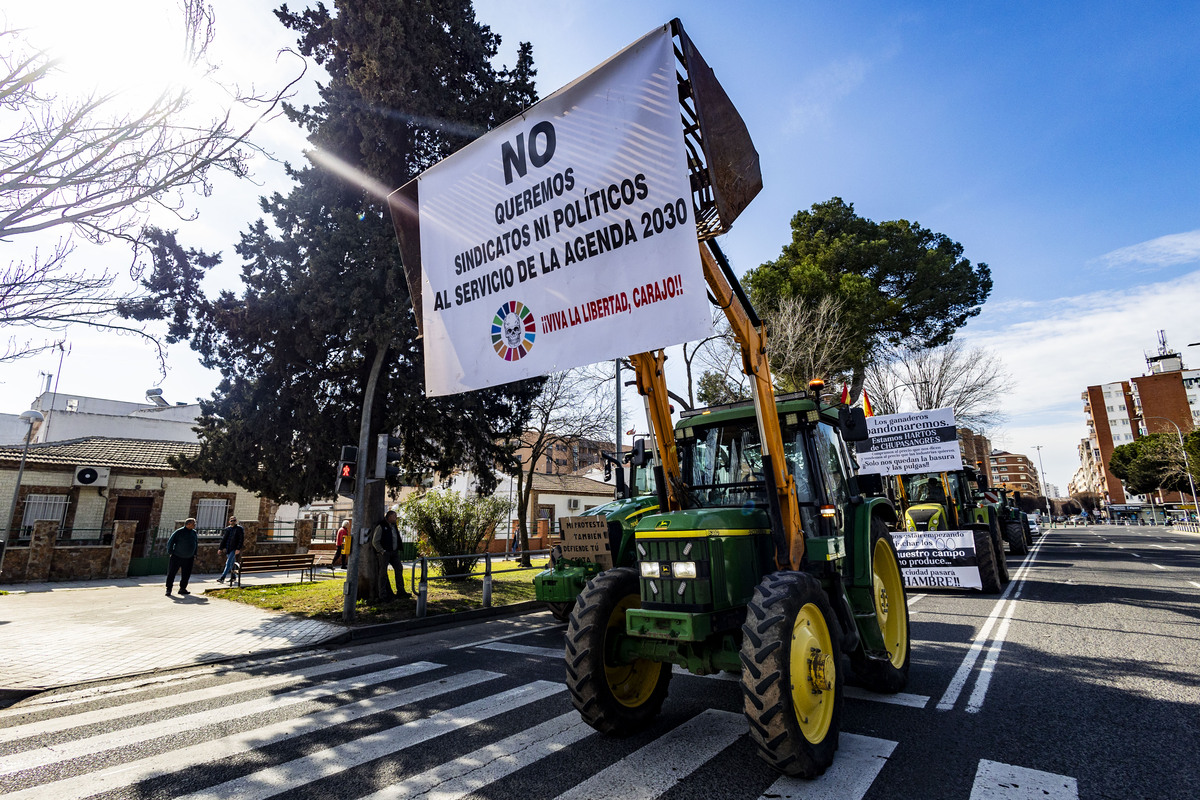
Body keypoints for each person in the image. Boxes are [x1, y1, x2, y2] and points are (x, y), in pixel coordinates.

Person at [370, 510, 411, 599]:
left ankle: (401, 591)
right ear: (389, 517)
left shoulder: (393, 526)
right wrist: (382, 551)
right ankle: (383, 595)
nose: (396, 518)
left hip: (394, 552)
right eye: (394, 516)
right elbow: (375, 541)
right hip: (384, 553)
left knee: (399, 569)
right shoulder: (381, 526)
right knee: (383, 573)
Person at [166, 518, 199, 596]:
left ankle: (182, 588)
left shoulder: (194, 533)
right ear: (188, 524)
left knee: (186, 574)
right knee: (172, 573)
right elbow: (170, 542)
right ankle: (169, 589)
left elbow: (195, 543)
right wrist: (170, 552)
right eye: (193, 524)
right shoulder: (179, 532)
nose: (195, 525)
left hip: (189, 557)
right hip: (177, 556)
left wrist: (195, 553)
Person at [216, 515, 244, 585]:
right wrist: (220, 548)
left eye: (234, 520)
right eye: (232, 520)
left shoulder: (239, 529)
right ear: (229, 521)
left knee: (228, 563)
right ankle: (233, 576)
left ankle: (222, 577)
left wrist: (238, 548)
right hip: (228, 548)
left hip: (234, 548)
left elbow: (241, 539)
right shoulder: (227, 529)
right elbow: (224, 539)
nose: (233, 522)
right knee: (231, 563)